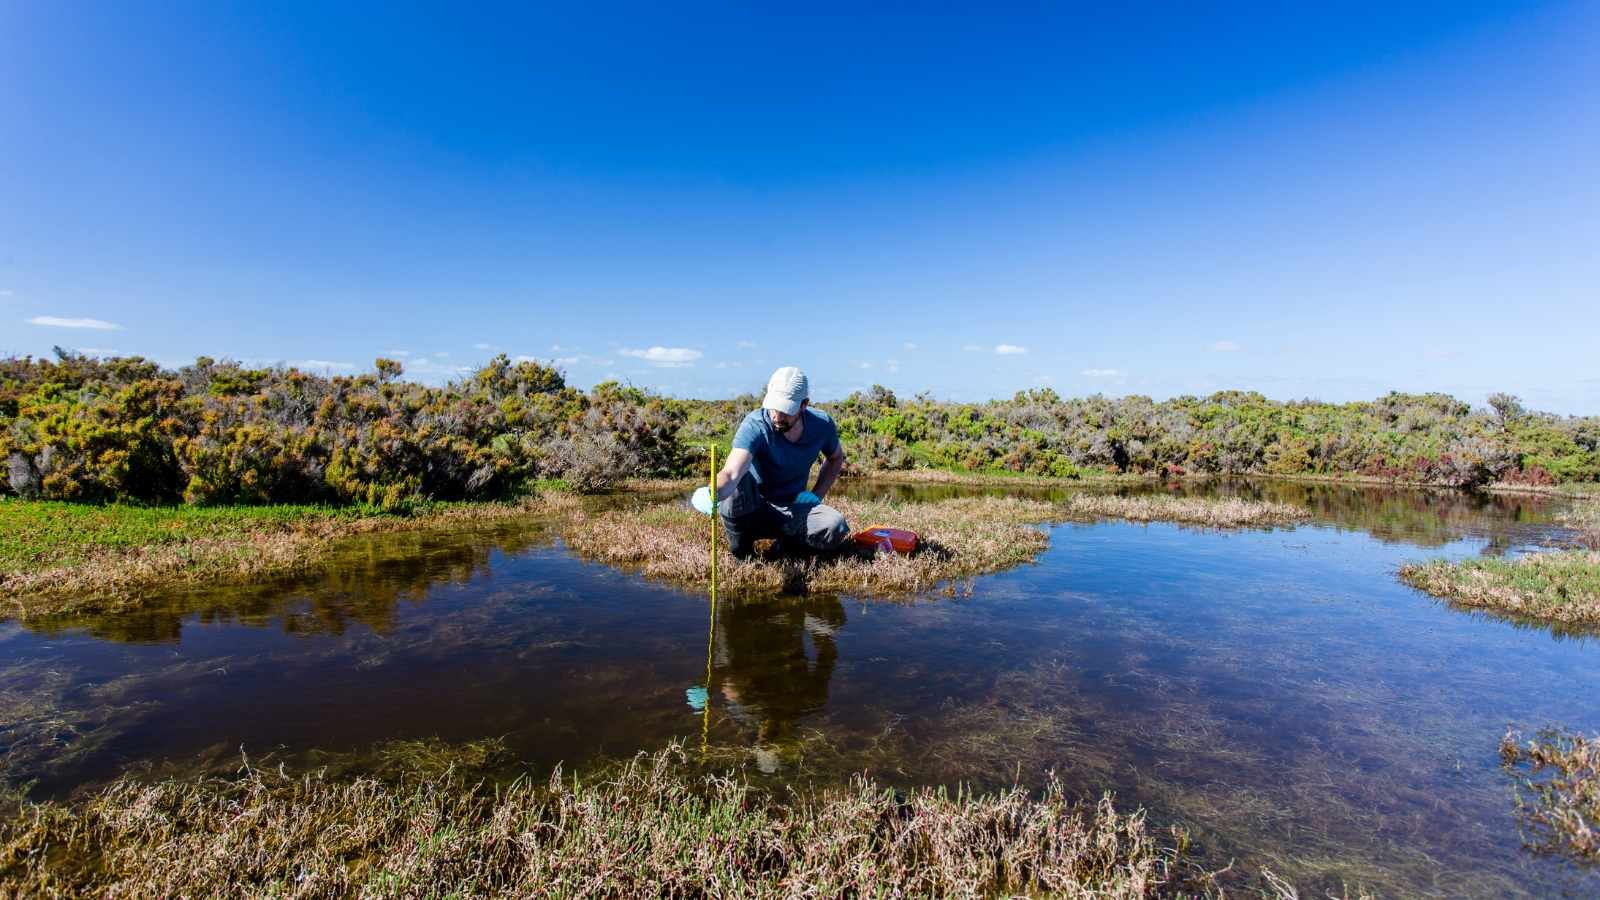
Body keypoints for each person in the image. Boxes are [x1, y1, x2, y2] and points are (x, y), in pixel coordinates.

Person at [690, 366, 851, 559]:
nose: (776, 416)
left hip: (792, 507)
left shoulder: (821, 425)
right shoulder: (755, 425)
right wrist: (712, 492)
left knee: (835, 526)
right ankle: (742, 551)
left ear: (803, 405)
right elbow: (731, 473)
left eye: (785, 410)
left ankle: (785, 548)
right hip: (753, 508)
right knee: (737, 486)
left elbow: (835, 458)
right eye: (774, 407)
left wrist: (816, 495)